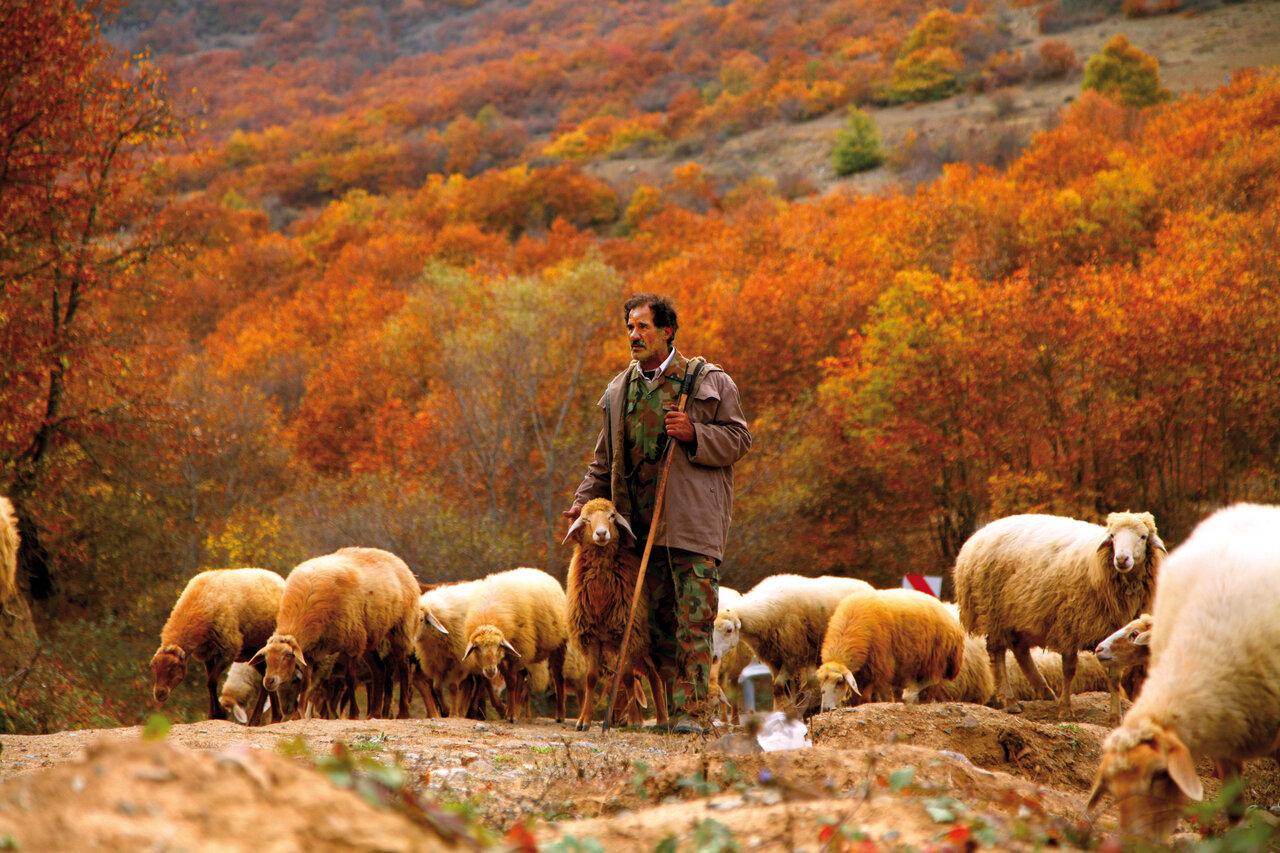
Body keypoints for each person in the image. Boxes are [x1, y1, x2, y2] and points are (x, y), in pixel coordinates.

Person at [564, 293, 752, 734]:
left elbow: (740, 440)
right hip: (637, 533)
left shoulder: (707, 381)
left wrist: (695, 433)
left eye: (643, 327)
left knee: (693, 619)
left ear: (667, 331)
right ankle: (667, 715)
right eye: (630, 327)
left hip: (691, 527)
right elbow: (602, 462)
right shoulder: (618, 391)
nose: (634, 335)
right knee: (654, 624)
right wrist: (583, 501)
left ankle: (694, 715)